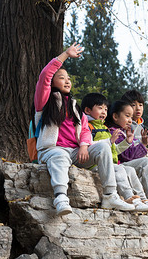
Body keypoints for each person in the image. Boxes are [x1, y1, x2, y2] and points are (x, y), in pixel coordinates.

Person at [34, 43, 135, 216]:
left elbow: (85, 131)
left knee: (103, 147)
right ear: (52, 83)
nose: (67, 81)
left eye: (68, 78)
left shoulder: (74, 106)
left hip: (75, 152)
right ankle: (60, 197)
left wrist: (83, 146)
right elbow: (45, 74)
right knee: (59, 156)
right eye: (62, 78)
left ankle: (110, 195)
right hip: (52, 151)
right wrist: (66, 54)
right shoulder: (44, 101)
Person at [80, 92, 148, 211]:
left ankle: (142, 199)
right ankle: (130, 198)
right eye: (100, 108)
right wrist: (109, 141)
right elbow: (89, 146)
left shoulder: (104, 128)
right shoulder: (87, 127)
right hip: (95, 163)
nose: (104, 112)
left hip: (112, 162)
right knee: (120, 169)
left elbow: (115, 151)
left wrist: (127, 141)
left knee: (129, 170)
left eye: (105, 109)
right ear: (88, 110)